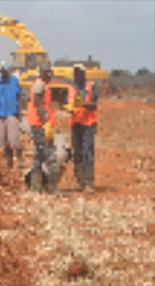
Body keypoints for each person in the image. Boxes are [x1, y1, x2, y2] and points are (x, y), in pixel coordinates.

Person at [27, 61, 58, 194]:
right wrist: (45, 122)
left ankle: (35, 188)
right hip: (40, 126)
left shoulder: (43, 85)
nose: (49, 75)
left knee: (38, 156)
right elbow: (38, 105)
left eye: (50, 72)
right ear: (41, 73)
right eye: (47, 72)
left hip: (38, 124)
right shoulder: (40, 85)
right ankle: (52, 188)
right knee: (50, 156)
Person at [67, 64, 98, 193]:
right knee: (77, 153)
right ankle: (80, 182)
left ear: (83, 74)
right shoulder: (71, 87)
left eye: (79, 73)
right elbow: (68, 103)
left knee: (88, 152)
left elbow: (95, 104)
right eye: (75, 73)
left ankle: (89, 182)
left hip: (88, 124)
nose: (77, 75)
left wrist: (84, 104)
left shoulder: (91, 86)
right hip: (75, 124)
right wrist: (71, 107)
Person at [0, 61, 24, 168]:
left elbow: (19, 96)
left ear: (8, 71)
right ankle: (9, 160)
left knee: (13, 140)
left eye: (4, 72)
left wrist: (19, 112)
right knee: (3, 140)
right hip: (2, 114)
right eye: (1, 72)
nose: (3, 74)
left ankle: (20, 159)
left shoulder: (14, 81)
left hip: (12, 113)